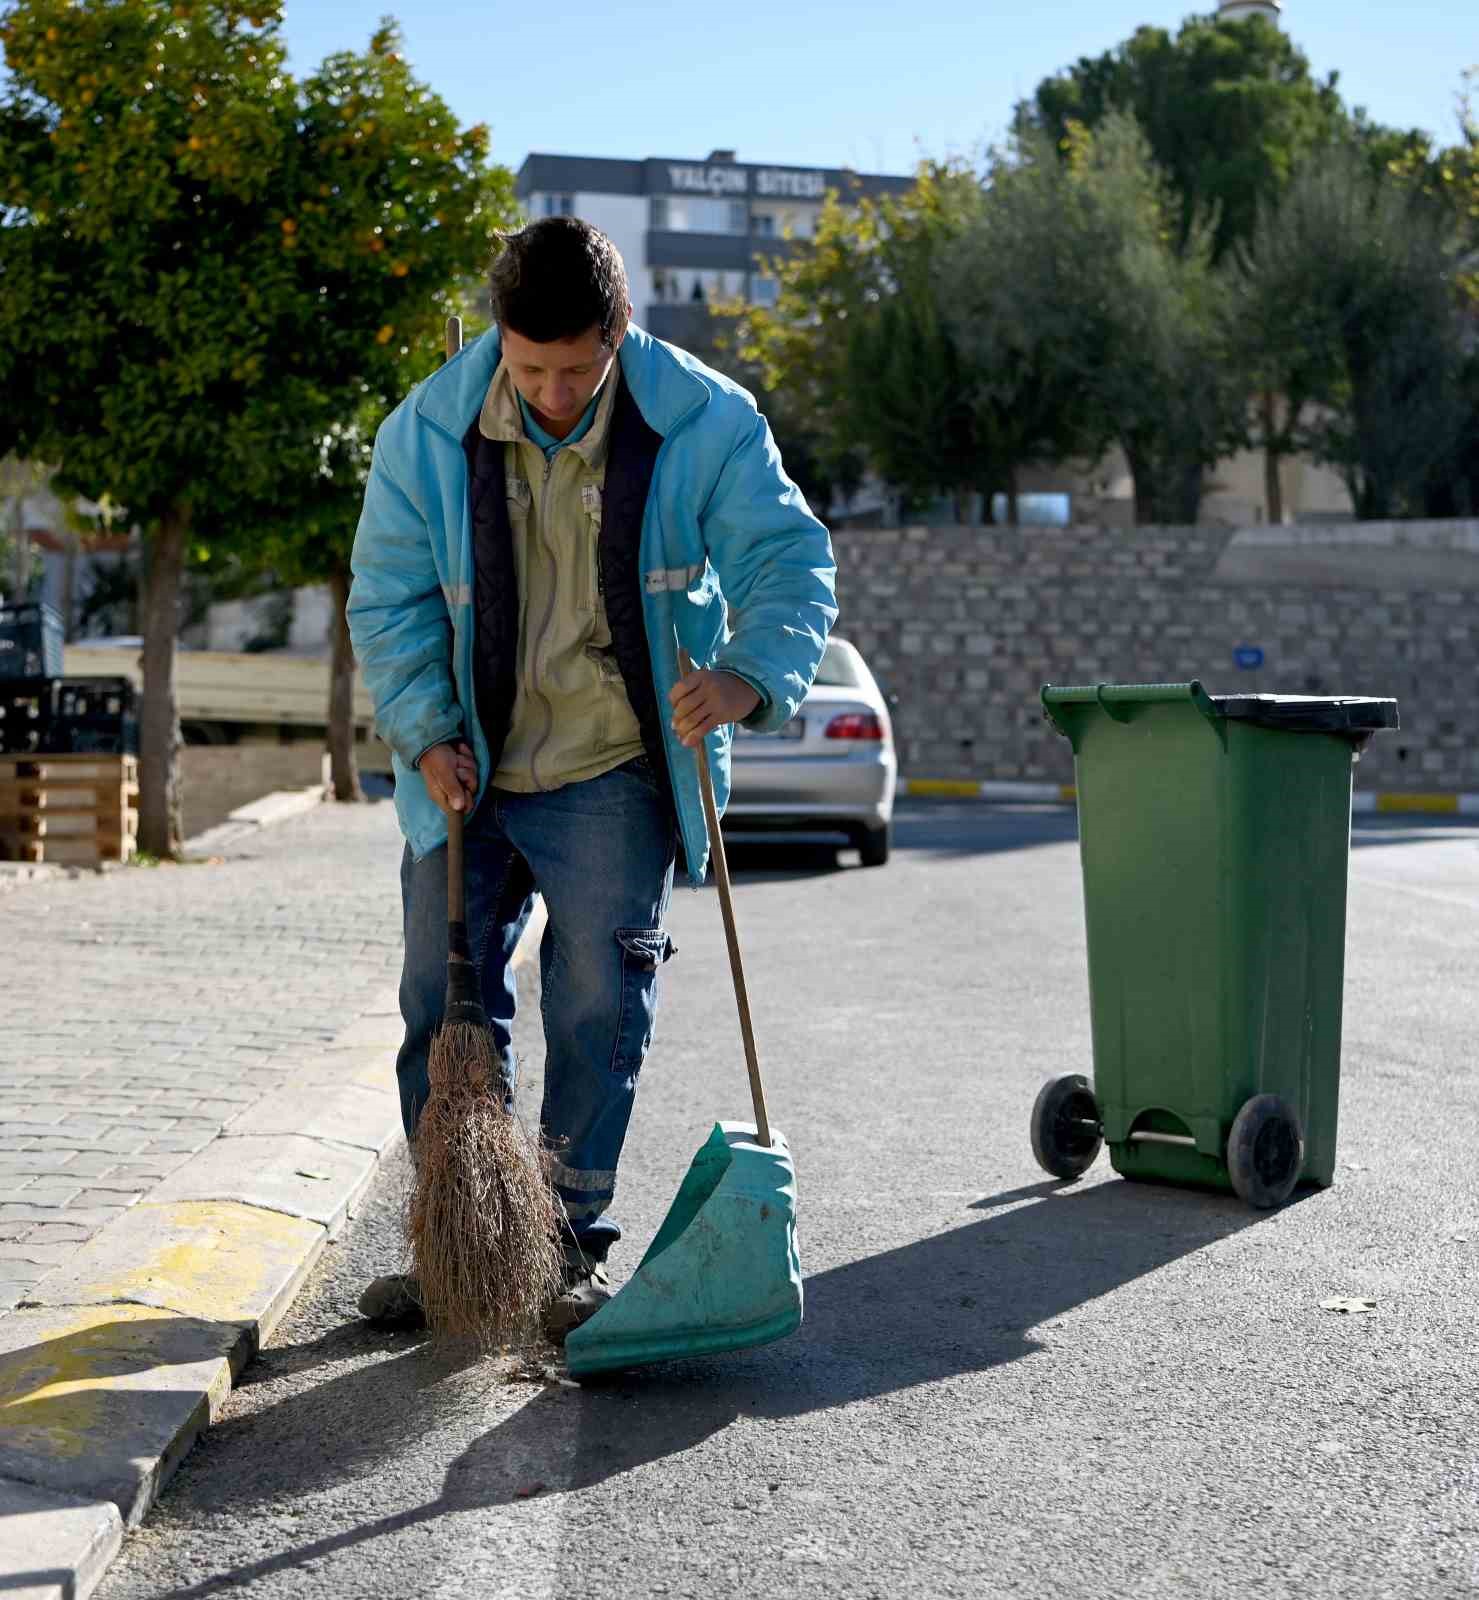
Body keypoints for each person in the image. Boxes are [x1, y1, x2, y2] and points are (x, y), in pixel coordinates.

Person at [346, 216, 837, 1337]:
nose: (555, 391)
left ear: (621, 331)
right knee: (442, 1004)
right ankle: (460, 1244)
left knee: (597, 1000)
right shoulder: (423, 429)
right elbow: (388, 600)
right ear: (500, 342)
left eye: (578, 367)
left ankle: (566, 1247)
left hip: (616, 761)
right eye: (530, 369)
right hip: (467, 763)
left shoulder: (706, 418)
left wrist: (748, 674)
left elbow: (789, 558)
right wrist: (425, 728)